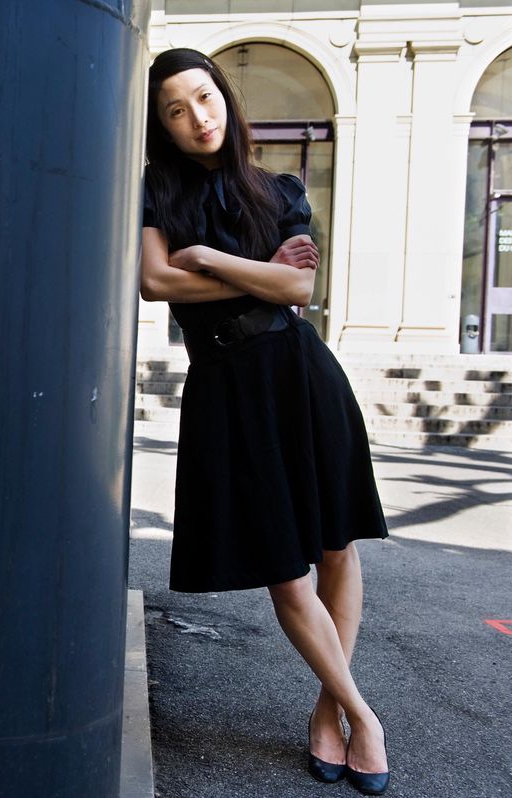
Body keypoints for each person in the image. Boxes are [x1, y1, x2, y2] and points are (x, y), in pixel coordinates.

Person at [139, 48, 391, 795]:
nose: (196, 118)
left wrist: (212, 259)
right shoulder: (157, 190)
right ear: (163, 127)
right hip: (226, 389)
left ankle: (328, 713)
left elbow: (299, 286)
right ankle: (367, 720)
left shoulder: (278, 188)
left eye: (203, 98)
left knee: (336, 549)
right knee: (286, 572)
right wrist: (258, 272)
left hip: (301, 376)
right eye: (176, 110)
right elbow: (155, 282)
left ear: (225, 97)